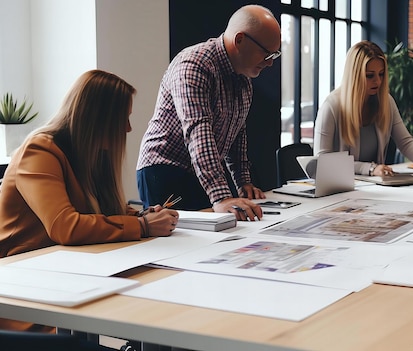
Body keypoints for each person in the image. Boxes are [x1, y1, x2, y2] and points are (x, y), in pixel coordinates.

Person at [0, 70, 179, 332]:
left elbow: (95, 211)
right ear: (98, 118)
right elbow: (65, 226)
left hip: (64, 271)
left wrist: (138, 216)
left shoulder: (89, 153)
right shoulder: (39, 150)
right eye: (123, 117)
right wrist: (143, 227)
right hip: (21, 285)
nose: (128, 128)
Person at [136, 4, 281, 221]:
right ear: (239, 40)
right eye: (266, 53)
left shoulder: (243, 79)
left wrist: (243, 183)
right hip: (165, 171)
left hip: (199, 172)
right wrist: (222, 197)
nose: (270, 63)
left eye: (275, 54)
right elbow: (198, 133)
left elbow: (237, 135)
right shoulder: (194, 65)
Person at [314, 40, 413, 182]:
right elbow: (321, 160)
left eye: (381, 74)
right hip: (339, 187)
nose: (378, 81)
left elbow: (405, 142)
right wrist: (369, 168)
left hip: (374, 189)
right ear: (354, 76)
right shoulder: (331, 106)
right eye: (370, 75)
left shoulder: (386, 102)